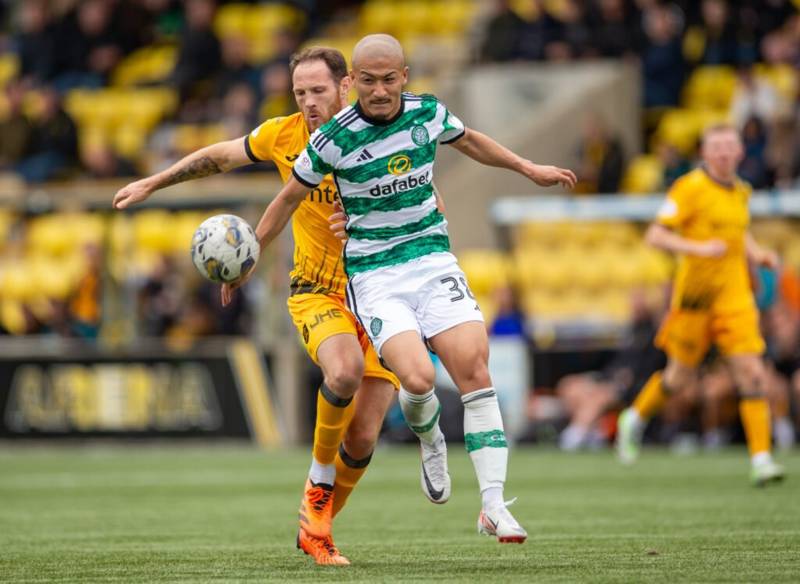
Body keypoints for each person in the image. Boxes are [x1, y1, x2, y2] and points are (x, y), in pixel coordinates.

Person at [226, 33, 576, 543]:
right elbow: (285, 200)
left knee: (475, 369)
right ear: (355, 83)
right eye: (368, 81)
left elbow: (471, 139)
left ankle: (493, 505)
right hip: (376, 275)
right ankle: (429, 435)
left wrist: (527, 168)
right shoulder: (333, 138)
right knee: (417, 380)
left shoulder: (428, 113)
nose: (380, 91)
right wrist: (251, 255)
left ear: (404, 77)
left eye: (390, 79)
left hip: (433, 261)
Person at [113, 47, 405, 566]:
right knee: (343, 373)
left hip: (384, 290)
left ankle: (317, 527)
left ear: (346, 88)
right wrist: (154, 182)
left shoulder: (386, 136)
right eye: (300, 93)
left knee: (362, 437)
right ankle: (317, 494)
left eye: (318, 91)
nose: (309, 102)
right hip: (317, 288)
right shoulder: (284, 135)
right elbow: (219, 156)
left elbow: (430, 206)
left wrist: (371, 221)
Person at [615, 124, 786, 487]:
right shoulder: (689, 188)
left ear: (740, 152)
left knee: (752, 373)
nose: (724, 153)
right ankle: (635, 418)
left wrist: (758, 255)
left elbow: (739, 233)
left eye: (729, 146)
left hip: (735, 297)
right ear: (705, 154)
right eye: (716, 147)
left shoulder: (742, 191)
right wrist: (699, 249)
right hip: (694, 299)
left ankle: (761, 459)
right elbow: (656, 234)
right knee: (679, 377)